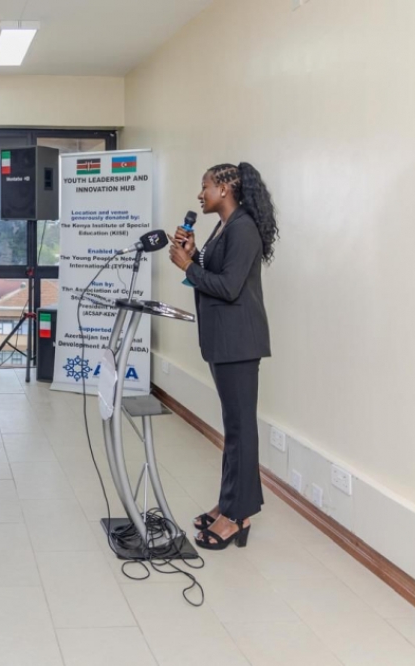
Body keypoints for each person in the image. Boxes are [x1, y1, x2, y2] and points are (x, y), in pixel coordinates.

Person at [169, 162, 277, 551]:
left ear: (225, 189)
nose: (201, 195)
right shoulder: (224, 227)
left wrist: (187, 267)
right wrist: (193, 256)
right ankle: (229, 504)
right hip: (224, 341)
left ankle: (238, 516)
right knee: (233, 428)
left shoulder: (242, 227)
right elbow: (215, 272)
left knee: (240, 429)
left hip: (239, 343)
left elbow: (229, 287)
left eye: (206, 187)